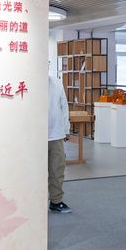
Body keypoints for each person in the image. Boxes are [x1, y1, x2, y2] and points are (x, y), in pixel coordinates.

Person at [48, 74, 72, 214]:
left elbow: (64, 107)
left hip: (55, 134)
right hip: (35, 136)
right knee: (35, 171)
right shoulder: (29, 82)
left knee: (57, 170)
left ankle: (56, 201)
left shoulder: (57, 83)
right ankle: (34, 201)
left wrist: (66, 129)